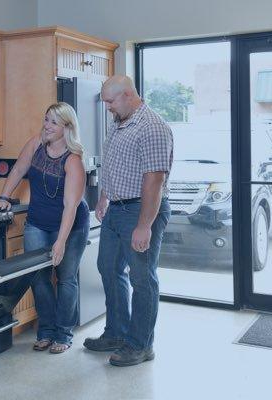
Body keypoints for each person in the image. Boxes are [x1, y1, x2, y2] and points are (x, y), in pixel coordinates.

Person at [82, 75, 173, 367]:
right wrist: (104, 196)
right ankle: (117, 333)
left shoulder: (153, 127)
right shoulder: (120, 122)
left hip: (140, 210)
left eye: (110, 101)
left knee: (142, 278)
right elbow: (115, 163)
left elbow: (154, 180)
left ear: (128, 95)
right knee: (108, 267)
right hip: (116, 209)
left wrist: (144, 225)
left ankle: (140, 344)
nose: (107, 107)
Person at [0, 102, 89, 354]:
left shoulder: (73, 160)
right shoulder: (36, 144)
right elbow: (18, 169)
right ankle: (45, 331)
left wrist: (60, 242)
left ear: (66, 128)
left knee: (66, 278)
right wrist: (4, 196)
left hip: (69, 226)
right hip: (37, 222)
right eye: (46, 119)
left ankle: (64, 333)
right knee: (38, 277)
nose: (46, 126)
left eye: (53, 122)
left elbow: (71, 206)